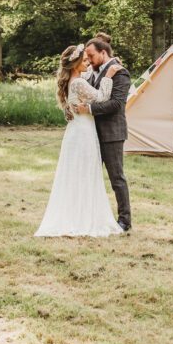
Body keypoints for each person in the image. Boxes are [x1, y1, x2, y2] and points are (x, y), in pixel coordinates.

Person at [35, 43, 124, 237]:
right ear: (75, 64)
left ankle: (76, 214)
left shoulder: (73, 81)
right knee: (85, 173)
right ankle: (83, 218)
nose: (88, 63)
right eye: (84, 60)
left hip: (76, 130)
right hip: (84, 132)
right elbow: (101, 97)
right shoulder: (78, 83)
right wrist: (108, 76)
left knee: (76, 173)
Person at [76, 33, 132, 232]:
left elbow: (116, 104)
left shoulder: (120, 72)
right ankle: (90, 216)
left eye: (91, 56)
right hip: (91, 133)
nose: (89, 60)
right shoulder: (93, 72)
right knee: (90, 175)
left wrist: (89, 109)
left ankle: (125, 220)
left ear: (103, 52)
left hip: (112, 133)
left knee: (117, 178)